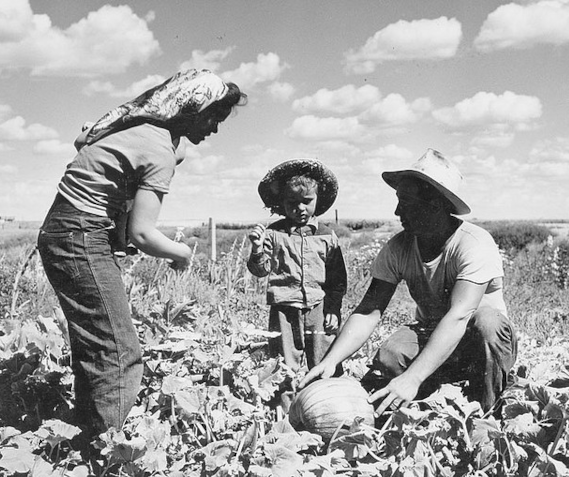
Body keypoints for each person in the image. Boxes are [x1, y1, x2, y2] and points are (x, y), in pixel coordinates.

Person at [37, 69, 247, 453]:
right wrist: (182, 253)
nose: (215, 129)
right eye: (214, 117)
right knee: (120, 353)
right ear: (190, 110)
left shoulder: (135, 127)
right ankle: (105, 455)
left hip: (64, 231)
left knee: (97, 346)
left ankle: (81, 442)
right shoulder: (158, 150)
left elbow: (88, 141)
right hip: (83, 236)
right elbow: (143, 234)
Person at [299, 149, 517, 415]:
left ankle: (487, 410)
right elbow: (369, 311)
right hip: (433, 333)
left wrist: (412, 378)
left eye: (406, 202)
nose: (397, 210)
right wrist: (330, 360)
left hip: (479, 340)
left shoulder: (473, 244)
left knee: (487, 323)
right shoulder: (399, 247)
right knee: (390, 355)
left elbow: (460, 317)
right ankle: (435, 395)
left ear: (436, 204)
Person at [247, 159, 347, 380]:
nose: (300, 208)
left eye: (306, 201)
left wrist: (333, 309)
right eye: (292, 201)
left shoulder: (326, 235)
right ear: (281, 202)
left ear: (317, 200)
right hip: (284, 308)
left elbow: (337, 278)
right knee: (282, 364)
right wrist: (256, 249)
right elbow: (261, 270)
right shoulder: (273, 234)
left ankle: (326, 407)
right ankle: (283, 412)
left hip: (318, 308)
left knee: (325, 359)